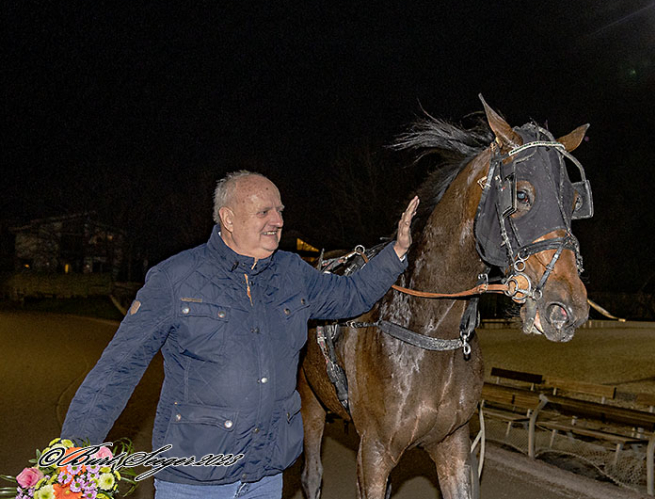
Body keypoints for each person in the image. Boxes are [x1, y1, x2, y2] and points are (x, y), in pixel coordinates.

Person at [61, 170, 419, 499]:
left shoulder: (293, 273)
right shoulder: (175, 279)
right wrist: (72, 456)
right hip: (193, 482)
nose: (278, 221)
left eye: (279, 211)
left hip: (265, 477)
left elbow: (351, 294)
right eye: (264, 212)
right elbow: (116, 371)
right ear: (227, 219)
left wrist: (397, 251)